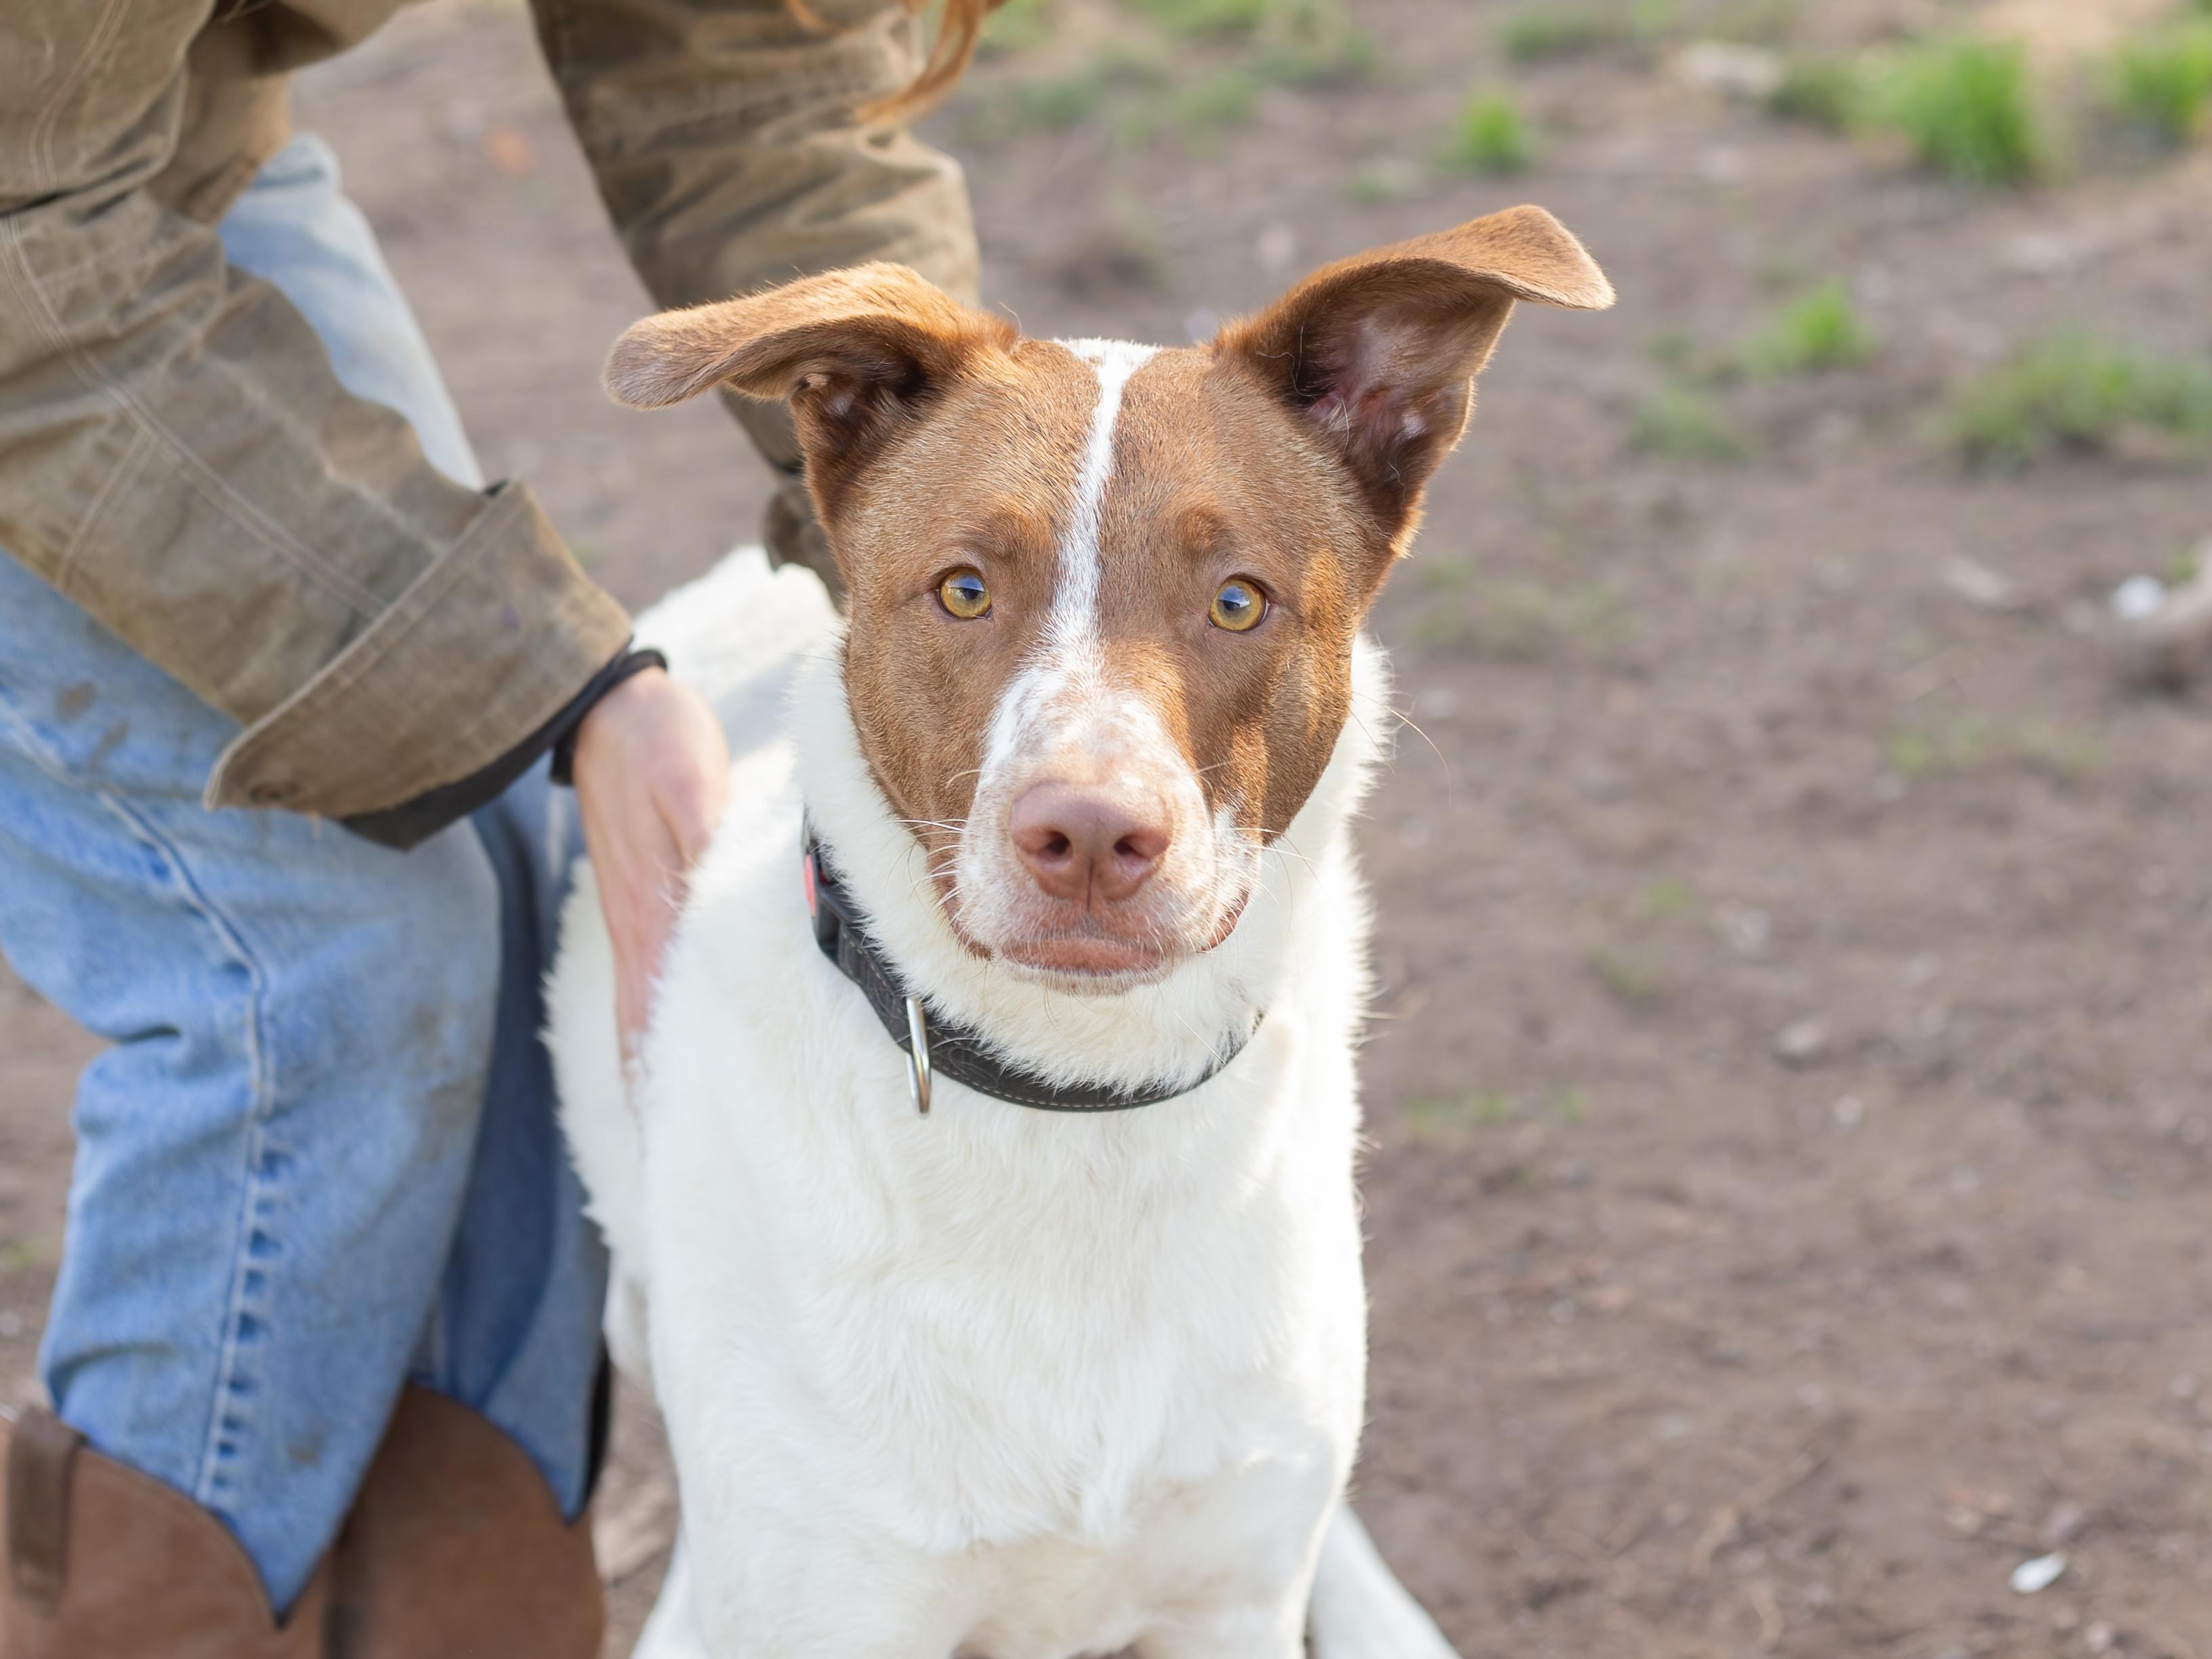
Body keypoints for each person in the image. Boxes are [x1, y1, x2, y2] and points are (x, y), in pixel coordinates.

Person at [0, 0, 988, 1650]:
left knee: (524, 885)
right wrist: (560, 681)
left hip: (145, 145)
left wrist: (989, 522)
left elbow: (741, 58)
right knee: (316, 964)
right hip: (26, 230)